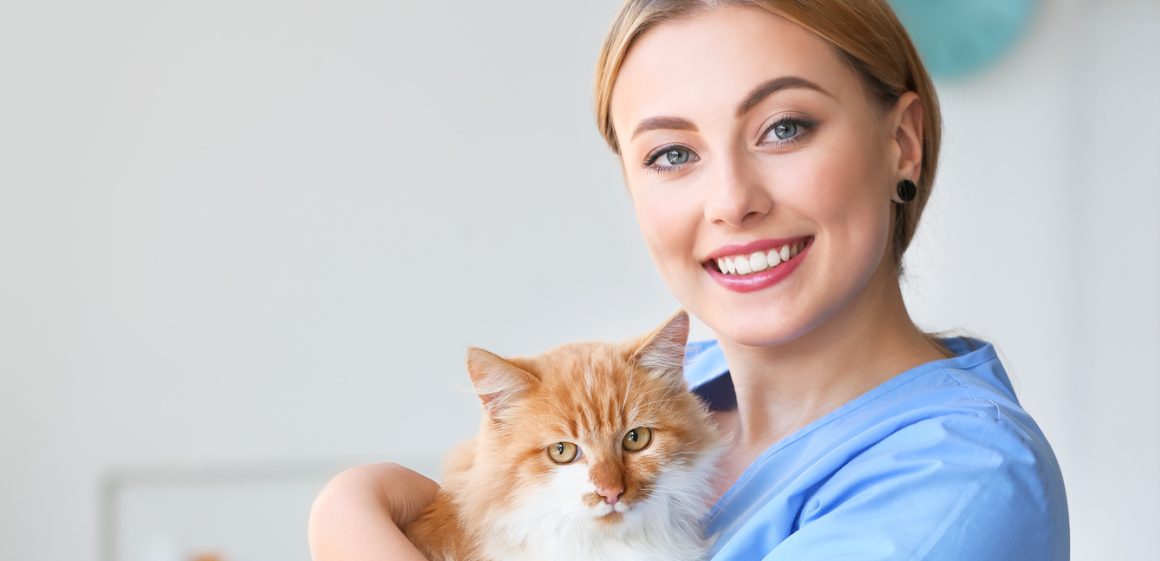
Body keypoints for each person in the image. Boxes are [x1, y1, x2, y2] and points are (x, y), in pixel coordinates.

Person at [308, 1, 1070, 559]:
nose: (732, 200)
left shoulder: (959, 482)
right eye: (672, 153)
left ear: (901, 142)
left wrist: (349, 522)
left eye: (784, 127)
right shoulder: (681, 383)